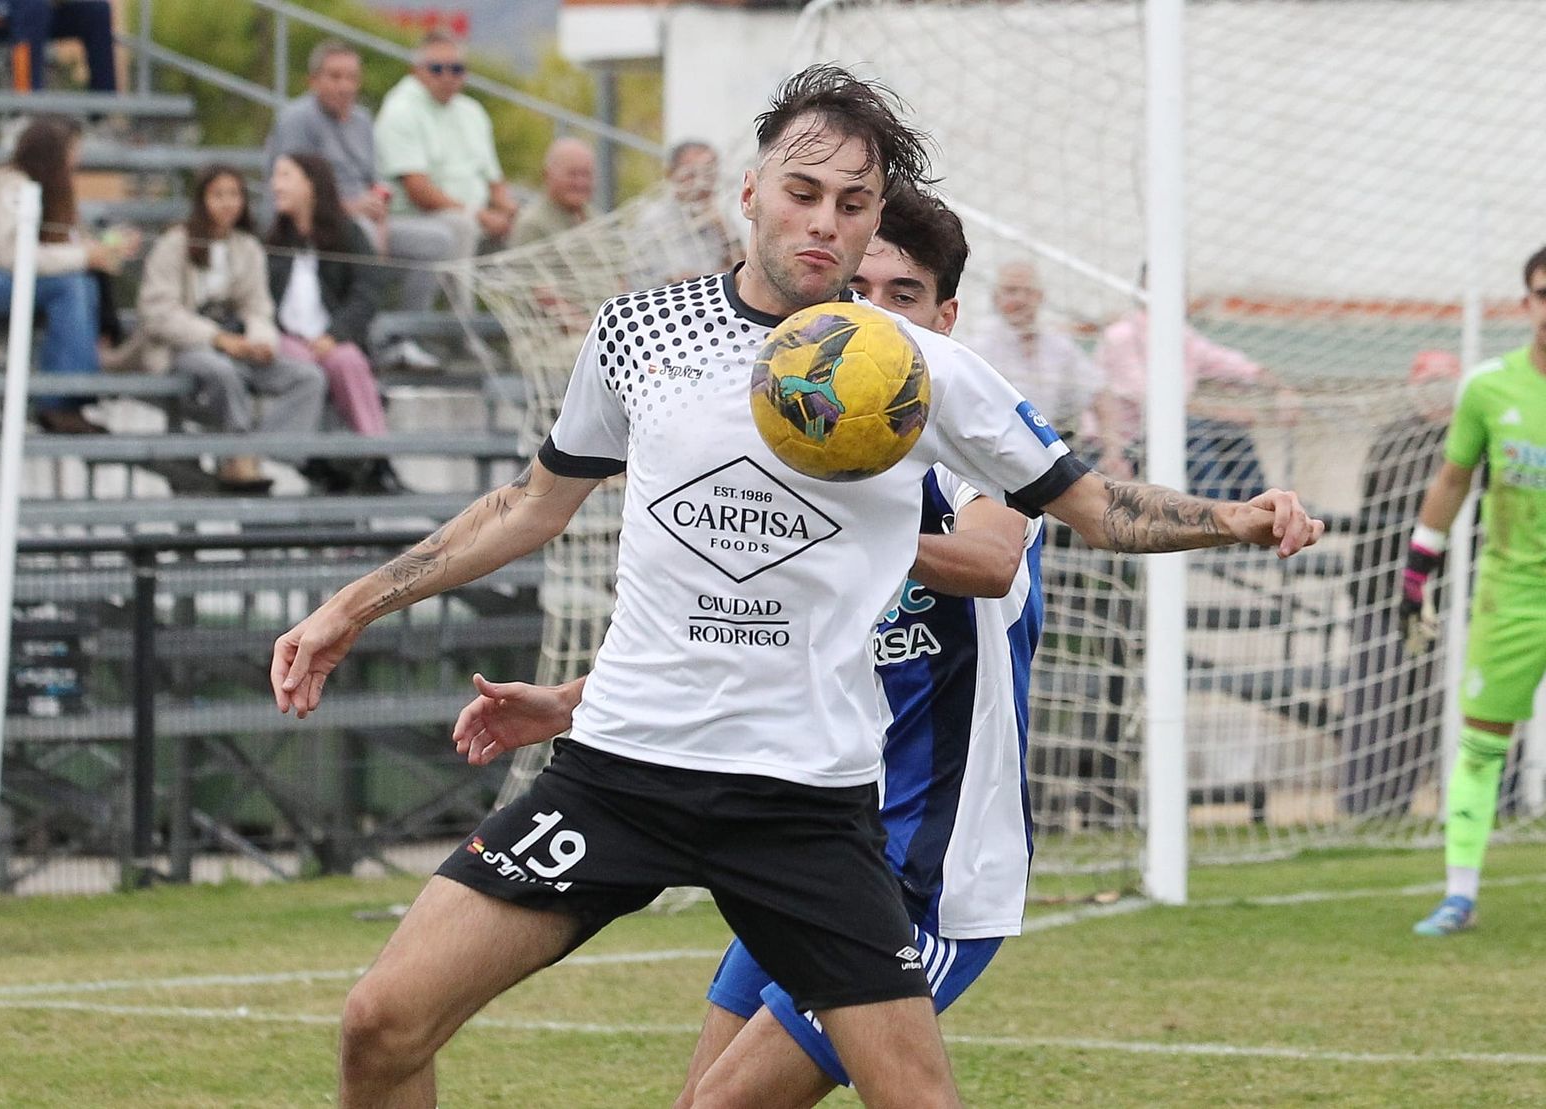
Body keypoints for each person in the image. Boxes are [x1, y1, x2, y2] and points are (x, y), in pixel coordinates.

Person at [270, 65, 1322, 1108]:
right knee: (380, 1020)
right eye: (802, 192)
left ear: (873, 224)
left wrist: (1233, 515)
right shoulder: (640, 332)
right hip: (619, 773)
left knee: (914, 1095)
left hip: (802, 801)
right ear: (750, 191)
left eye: (852, 204)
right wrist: (347, 605)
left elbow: (1092, 506)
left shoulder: (919, 373)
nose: (824, 221)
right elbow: (525, 507)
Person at [451, 183, 1046, 1107]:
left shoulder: (960, 446)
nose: (877, 320)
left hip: (932, 865)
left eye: (907, 297)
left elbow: (994, 557)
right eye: (864, 293)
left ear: (946, 320)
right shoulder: (816, 459)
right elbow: (752, 642)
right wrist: (570, 701)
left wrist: (837, 525)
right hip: (806, 829)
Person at [1403, 247, 1546, 936]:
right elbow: (1453, 479)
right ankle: (1459, 894)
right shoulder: (1489, 388)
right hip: (1510, 594)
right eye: (1544, 294)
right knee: (1483, 741)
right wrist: (1417, 566)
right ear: (1527, 303)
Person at [136, 164, 326, 493]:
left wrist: (261, 341)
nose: (227, 203)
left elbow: (258, 307)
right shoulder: (175, 244)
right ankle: (238, 454)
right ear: (202, 199)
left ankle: (251, 452)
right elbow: (158, 312)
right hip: (186, 346)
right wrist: (217, 338)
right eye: (218, 195)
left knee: (309, 378)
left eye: (234, 195)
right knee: (221, 370)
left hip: (237, 343)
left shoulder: (247, 247)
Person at [264, 38, 452, 355]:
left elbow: (374, 181)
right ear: (313, 81)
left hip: (367, 221)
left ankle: (404, 337)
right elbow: (289, 187)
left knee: (439, 239)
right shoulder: (296, 120)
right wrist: (350, 209)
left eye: (352, 77)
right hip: (321, 227)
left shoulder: (363, 120)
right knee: (360, 235)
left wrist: (380, 211)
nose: (345, 86)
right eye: (335, 76)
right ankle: (365, 335)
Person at [0, 114, 128, 434]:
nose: (78, 160)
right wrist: (87, 255)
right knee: (71, 284)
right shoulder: (11, 185)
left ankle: (72, 391)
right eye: (73, 151)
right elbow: (14, 256)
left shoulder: (35, 188)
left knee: (80, 281)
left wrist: (98, 251)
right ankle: (63, 398)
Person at [1338, 350, 1461, 817]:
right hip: (1382, 595)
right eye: (1429, 379)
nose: (1437, 388)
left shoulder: (1464, 438)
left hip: (1439, 596)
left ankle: (1400, 803)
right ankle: (1362, 806)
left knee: (1420, 708)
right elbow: (1413, 502)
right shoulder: (1396, 439)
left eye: (1445, 379)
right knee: (1376, 702)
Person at [266, 153, 402, 495]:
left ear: (311, 185)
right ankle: (308, 459)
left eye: (286, 176)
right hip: (284, 336)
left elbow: (367, 290)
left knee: (349, 360)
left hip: (329, 336)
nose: (276, 185)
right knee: (303, 367)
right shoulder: (270, 239)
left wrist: (336, 334)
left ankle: (376, 456)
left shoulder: (348, 234)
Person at [1093, 283, 1275, 499]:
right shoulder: (1120, 336)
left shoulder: (1182, 335)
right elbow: (1154, 401)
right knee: (1191, 429)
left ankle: (1256, 508)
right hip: (1126, 443)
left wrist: (1276, 385)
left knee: (1230, 431)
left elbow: (1225, 362)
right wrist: (1219, 412)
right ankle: (1217, 512)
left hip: (1174, 433)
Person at [373, 30, 518, 280]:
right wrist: (478, 214)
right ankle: (460, 316)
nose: (448, 76)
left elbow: (495, 181)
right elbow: (419, 191)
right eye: (437, 68)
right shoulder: (401, 110)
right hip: (418, 216)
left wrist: (508, 211)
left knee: (527, 223)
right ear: (416, 71)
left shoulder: (472, 112)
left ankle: (523, 313)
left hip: (473, 211)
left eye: (457, 69)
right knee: (462, 226)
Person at [961, 260, 1103, 442]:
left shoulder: (1058, 342)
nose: (1020, 299)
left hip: (1049, 446)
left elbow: (1098, 390)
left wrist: (1112, 453)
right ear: (996, 298)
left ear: (1041, 297)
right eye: (1011, 291)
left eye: (1028, 291)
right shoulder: (978, 343)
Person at [630, 140, 743, 286]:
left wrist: (724, 230)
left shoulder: (718, 221)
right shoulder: (653, 221)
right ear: (670, 174)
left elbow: (744, 269)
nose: (701, 183)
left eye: (708, 173)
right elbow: (679, 281)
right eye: (691, 174)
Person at [0, 0, 117, 92]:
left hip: (31, 13)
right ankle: (28, 113)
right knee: (32, 6)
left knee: (97, 11)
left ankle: (102, 115)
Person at [509, 137, 598, 247]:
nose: (580, 182)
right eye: (572, 174)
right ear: (547, 175)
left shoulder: (595, 217)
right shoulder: (533, 225)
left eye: (586, 174)